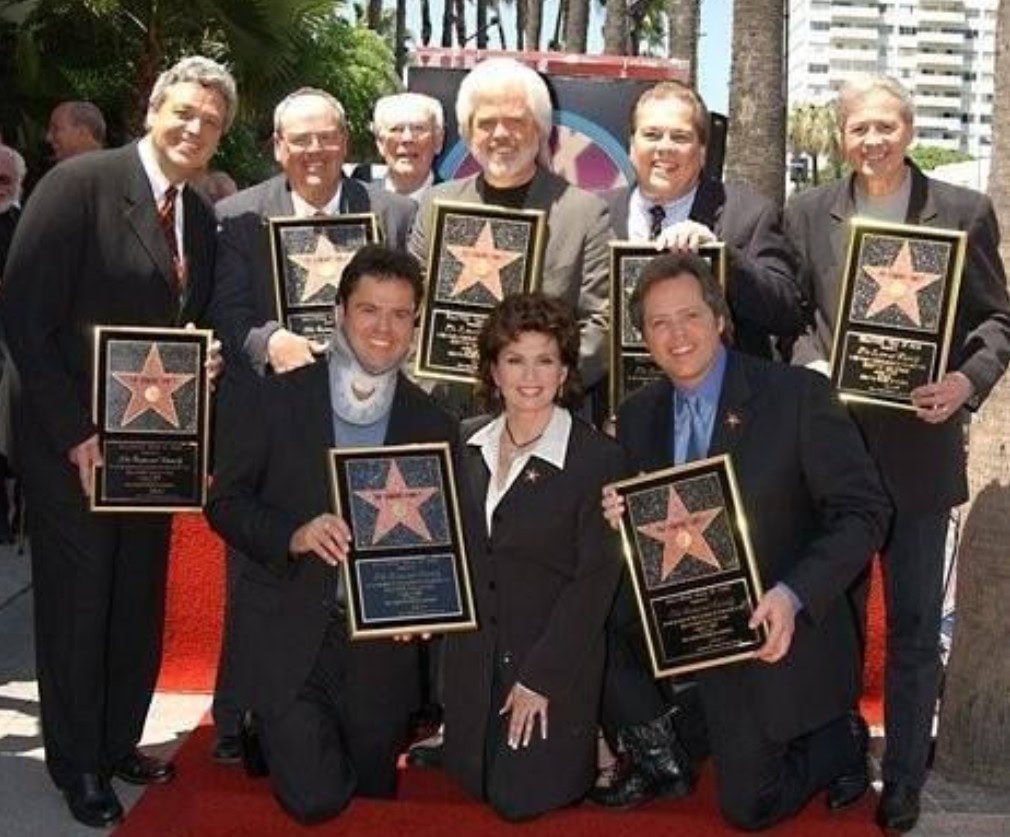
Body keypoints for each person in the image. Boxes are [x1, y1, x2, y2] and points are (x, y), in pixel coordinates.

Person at [0, 56, 236, 829]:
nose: (195, 127)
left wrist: (204, 359)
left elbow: (183, 326)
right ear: (153, 109)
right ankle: (77, 762)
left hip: (149, 452)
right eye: (184, 111)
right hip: (72, 449)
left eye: (211, 121)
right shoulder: (79, 185)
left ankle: (117, 738)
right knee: (80, 604)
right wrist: (74, 431)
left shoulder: (198, 216)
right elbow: (25, 318)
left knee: (135, 597)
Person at [784, 74, 1010, 833]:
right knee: (835, 619)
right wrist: (812, 363)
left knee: (914, 628)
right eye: (859, 128)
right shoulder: (808, 211)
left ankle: (905, 779)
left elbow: (997, 321)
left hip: (919, 452)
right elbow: (796, 314)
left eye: (886, 126)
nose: (873, 140)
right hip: (833, 453)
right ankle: (845, 758)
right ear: (840, 135)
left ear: (908, 129)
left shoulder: (963, 212)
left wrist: (965, 382)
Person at [599, 252, 891, 829]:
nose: (677, 335)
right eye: (659, 323)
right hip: (690, 630)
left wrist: (793, 595)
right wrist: (621, 516)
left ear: (720, 318)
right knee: (587, 608)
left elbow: (864, 513)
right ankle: (665, 745)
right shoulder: (637, 415)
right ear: (644, 339)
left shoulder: (796, 395)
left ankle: (837, 740)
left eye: (690, 316)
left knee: (748, 806)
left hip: (777, 626)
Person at [205, 244, 459, 824]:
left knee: (371, 795)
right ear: (340, 312)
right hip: (287, 630)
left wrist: (426, 606)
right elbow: (224, 504)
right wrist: (292, 534)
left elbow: (444, 546)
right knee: (317, 798)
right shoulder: (275, 399)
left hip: (381, 647)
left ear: (416, 323)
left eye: (400, 314)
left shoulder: (434, 423)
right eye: (369, 310)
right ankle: (268, 724)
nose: (384, 329)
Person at [442, 293, 624, 820]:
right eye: (514, 359)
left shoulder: (598, 459)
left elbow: (593, 585)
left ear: (564, 371)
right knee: (472, 782)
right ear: (493, 370)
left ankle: (596, 738)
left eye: (545, 360)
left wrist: (541, 679)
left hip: (552, 664)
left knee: (516, 800)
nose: (529, 376)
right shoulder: (463, 444)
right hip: (475, 665)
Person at [409, 57, 612, 410]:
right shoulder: (435, 204)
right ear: (468, 133)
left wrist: (536, 383)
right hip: (445, 410)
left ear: (540, 128)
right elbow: (407, 308)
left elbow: (602, 325)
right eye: (486, 123)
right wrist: (422, 382)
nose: (500, 134)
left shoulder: (585, 213)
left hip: (540, 413)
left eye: (515, 121)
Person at [210, 86, 417, 375]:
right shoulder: (238, 217)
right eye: (301, 140)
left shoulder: (396, 214)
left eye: (327, 137)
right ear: (279, 146)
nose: (315, 149)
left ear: (344, 142)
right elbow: (226, 310)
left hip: (369, 386)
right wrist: (269, 341)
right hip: (276, 391)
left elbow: (412, 308)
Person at [602, 82, 805, 359]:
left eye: (680, 137)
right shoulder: (597, 214)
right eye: (651, 134)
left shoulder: (751, 215)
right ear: (632, 145)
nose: (665, 147)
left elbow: (788, 313)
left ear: (702, 151)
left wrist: (721, 257)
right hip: (616, 384)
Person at [372, 92, 445, 202]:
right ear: (380, 143)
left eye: (418, 128)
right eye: (396, 129)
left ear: (438, 140)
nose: (407, 138)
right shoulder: (361, 202)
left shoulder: (456, 204)